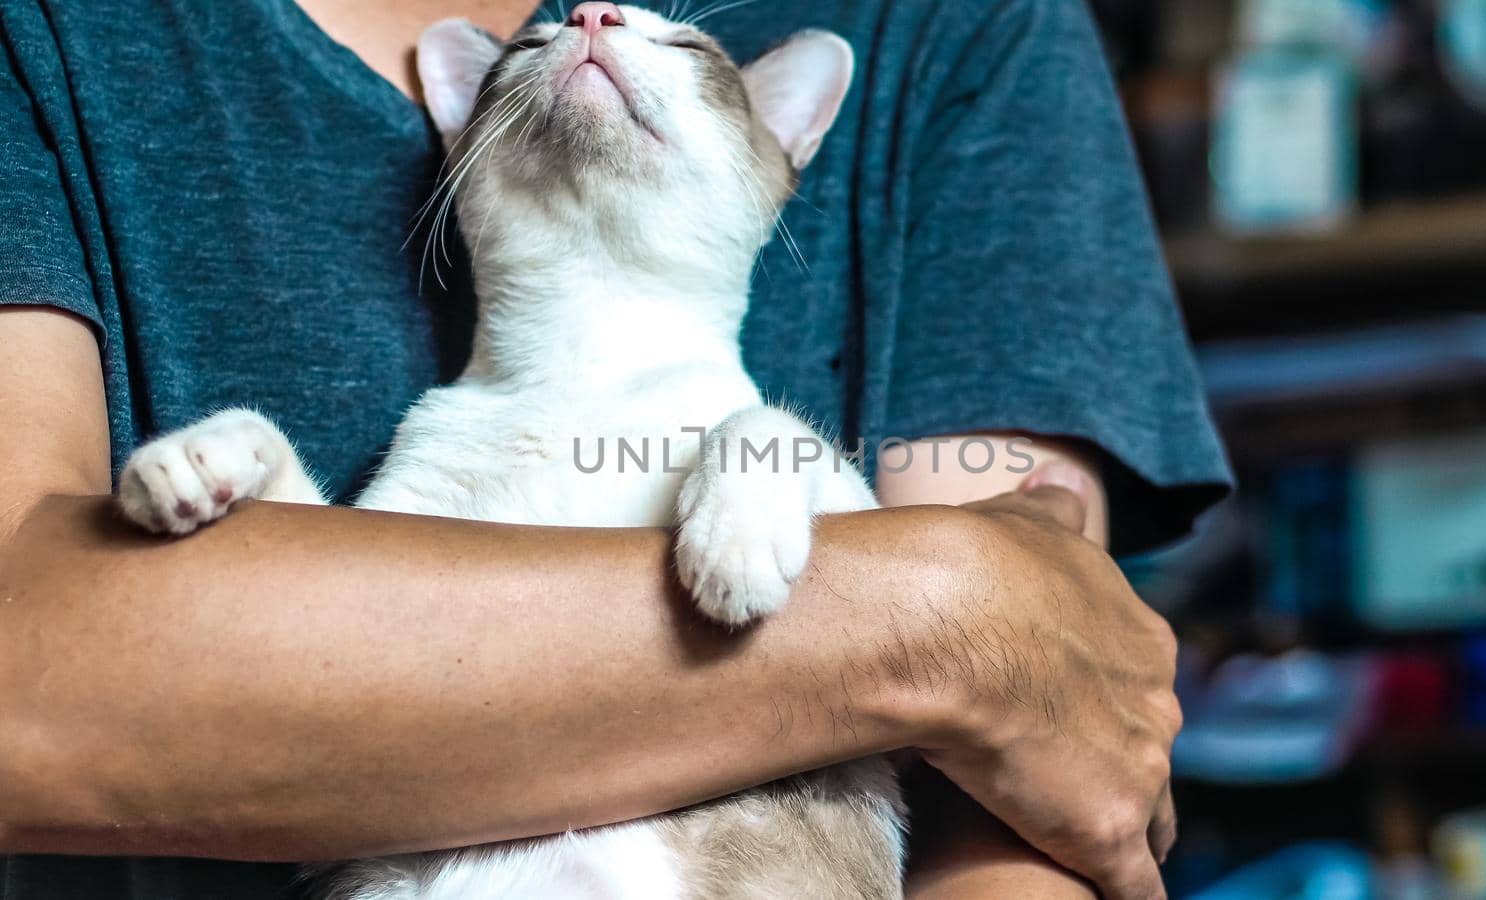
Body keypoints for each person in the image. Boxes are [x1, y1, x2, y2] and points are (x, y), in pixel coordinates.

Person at [0, 0, 1230, 897]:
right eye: (527, 57)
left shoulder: (965, 44)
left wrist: (766, 463)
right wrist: (939, 613)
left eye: (689, 51)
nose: (586, 21)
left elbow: (1035, 779)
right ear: (458, 147)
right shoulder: (449, 438)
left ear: (781, 156)